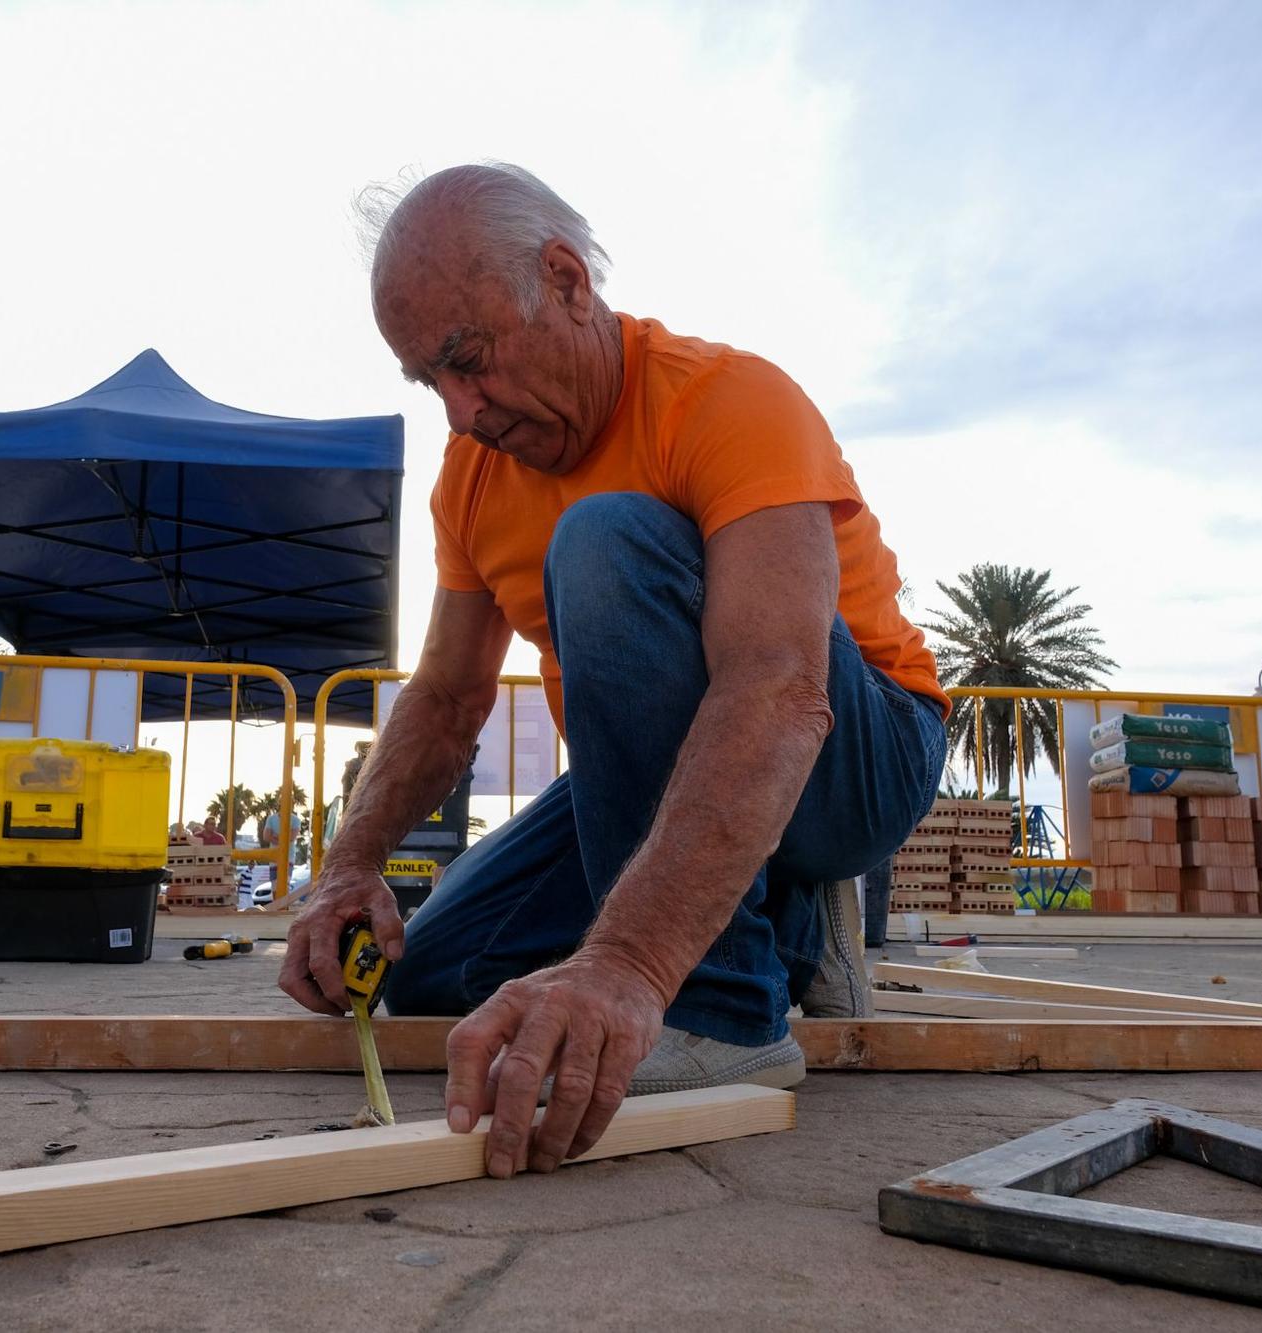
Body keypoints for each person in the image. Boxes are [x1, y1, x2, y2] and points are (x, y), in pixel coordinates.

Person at [279, 163, 946, 1180]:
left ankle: (720, 1010)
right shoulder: (473, 477)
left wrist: (630, 965)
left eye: (469, 360)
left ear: (564, 281)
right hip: (682, 767)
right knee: (438, 966)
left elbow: (780, 689)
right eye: (431, 383)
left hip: (855, 752)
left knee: (605, 542)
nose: (460, 413)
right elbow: (448, 696)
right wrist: (347, 868)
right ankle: (788, 920)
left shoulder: (728, 402)